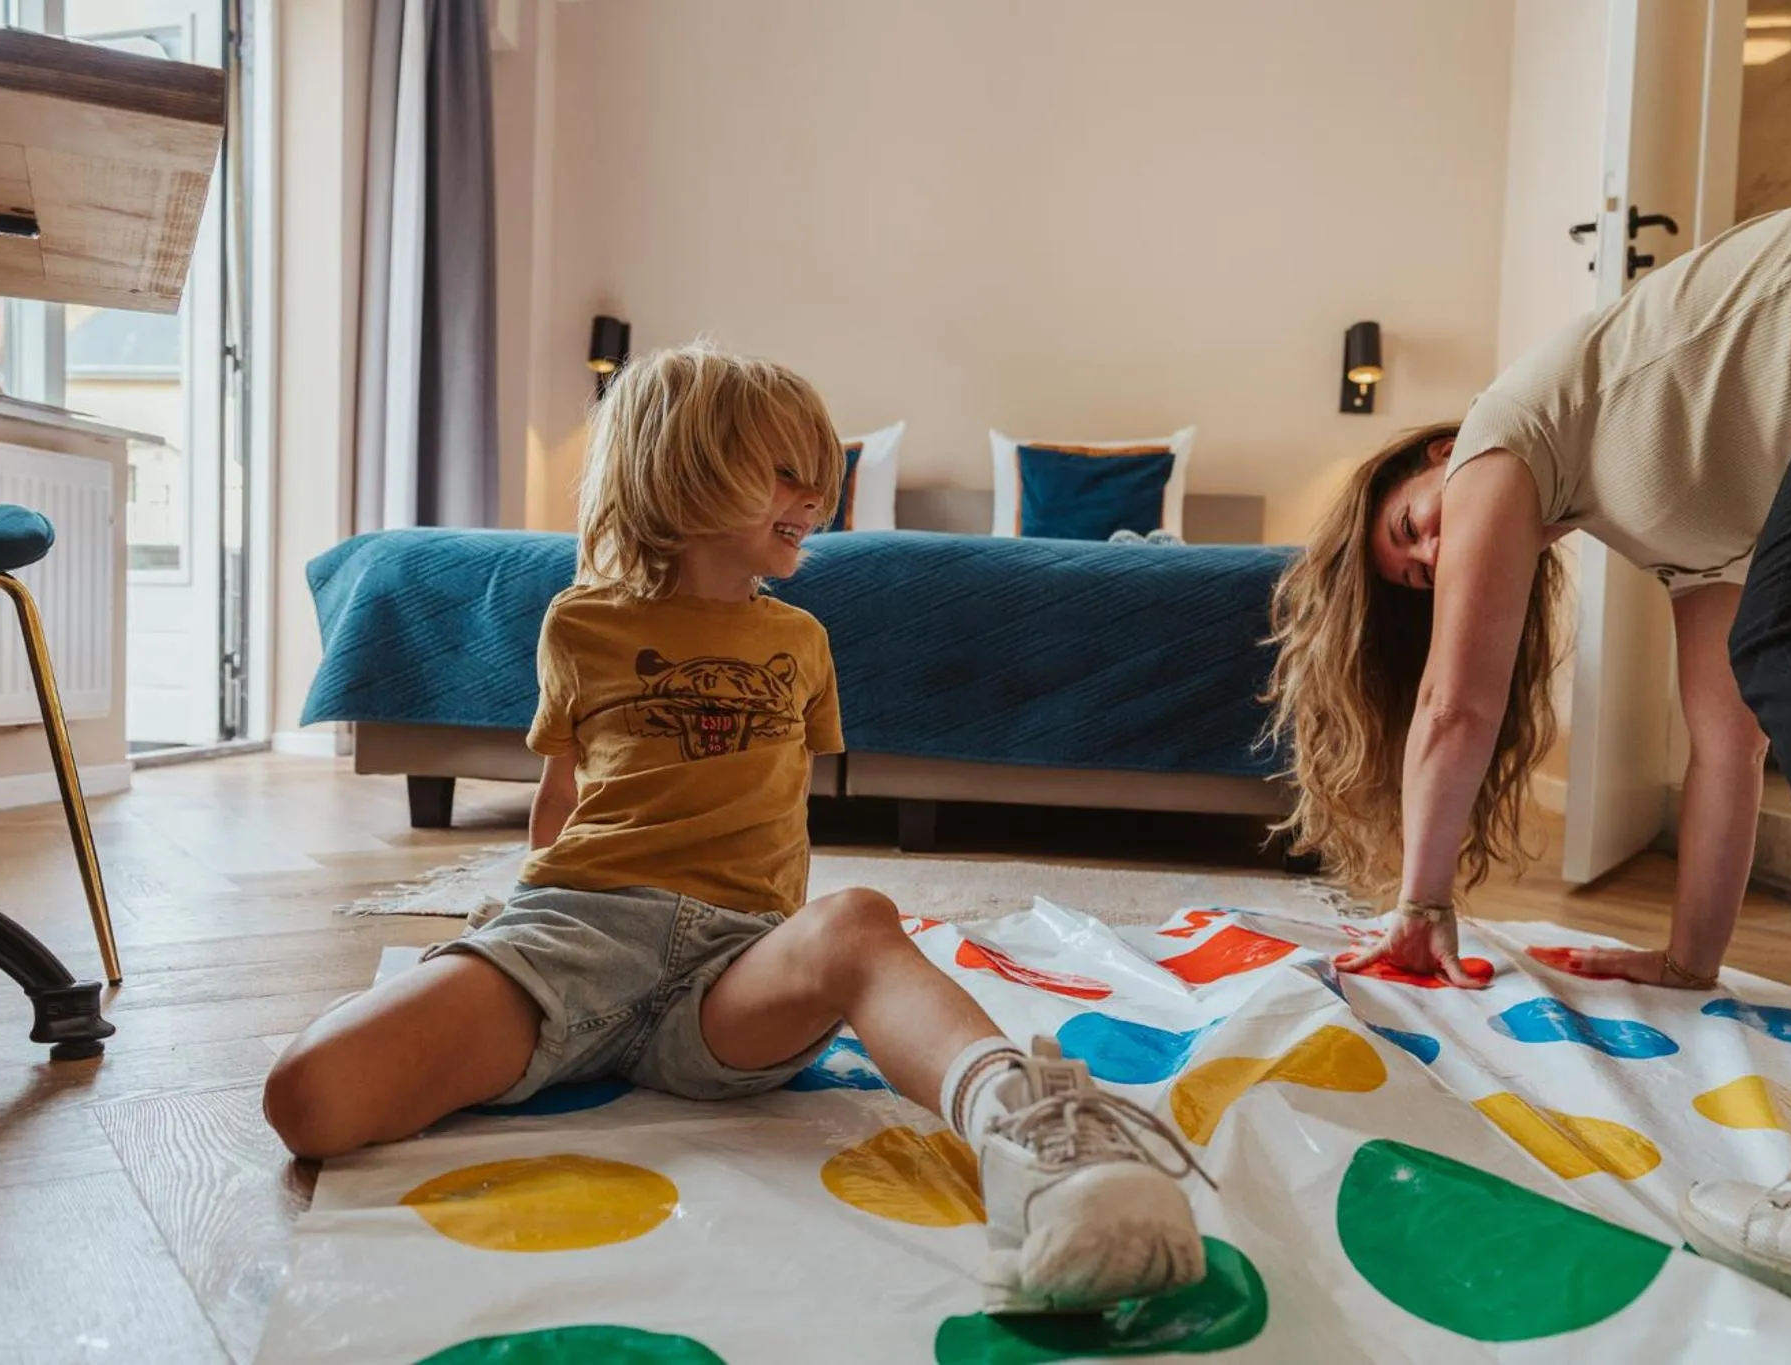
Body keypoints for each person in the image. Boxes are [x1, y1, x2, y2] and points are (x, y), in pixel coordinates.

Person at [262, 343, 1210, 1312]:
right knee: (308, 1098)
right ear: (681, 469)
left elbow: (781, 804)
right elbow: (563, 787)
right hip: (575, 931)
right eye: (787, 474)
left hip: (732, 972)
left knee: (856, 918)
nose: (817, 498)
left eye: (823, 476)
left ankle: (1047, 1148)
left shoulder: (800, 639)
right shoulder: (577, 621)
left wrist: (798, 945)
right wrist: (511, 932)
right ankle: (529, 1039)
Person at [1266, 158, 1791, 1309]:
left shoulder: (1502, 430)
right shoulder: (1683, 527)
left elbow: (1460, 703)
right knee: (1785, 650)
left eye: (1414, 527)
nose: (1438, 558)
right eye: (1417, 575)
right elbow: (1726, 750)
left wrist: (1420, 907)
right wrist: (1687, 963)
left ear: (1430, 458)